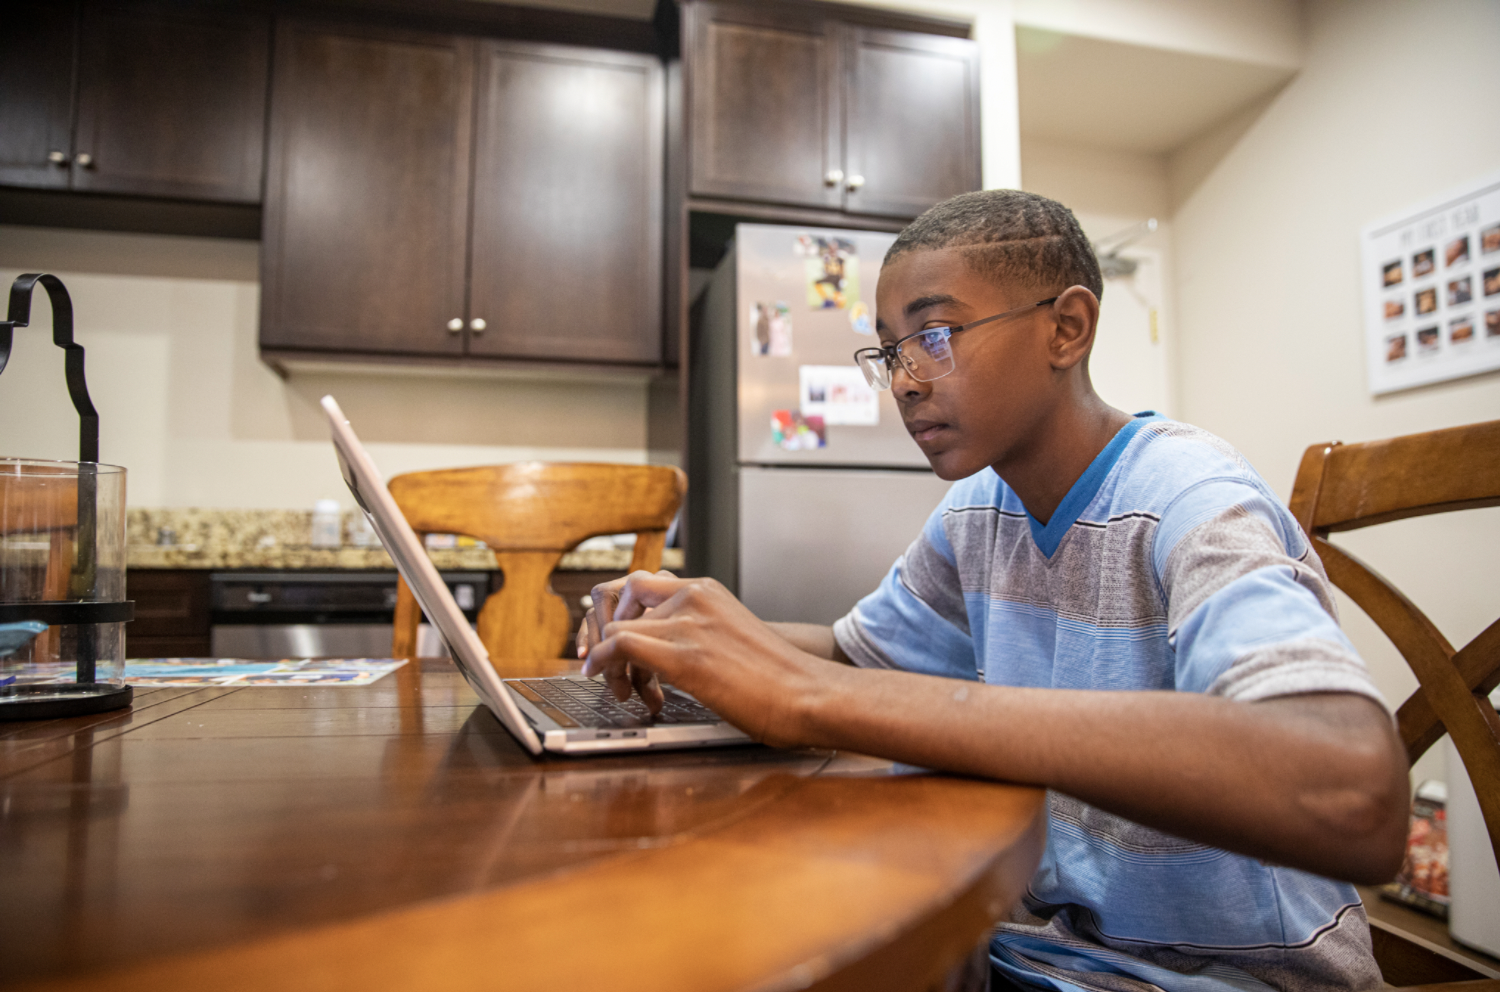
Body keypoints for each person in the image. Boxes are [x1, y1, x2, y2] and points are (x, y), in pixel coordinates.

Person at [579, 190, 1408, 992]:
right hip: (1035, 955)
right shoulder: (979, 510)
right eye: (890, 350)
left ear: (1067, 328)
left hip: (1228, 975)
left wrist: (811, 695)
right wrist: (703, 627)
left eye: (934, 335)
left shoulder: (1190, 494)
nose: (904, 379)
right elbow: (853, 658)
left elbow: (1349, 787)